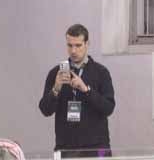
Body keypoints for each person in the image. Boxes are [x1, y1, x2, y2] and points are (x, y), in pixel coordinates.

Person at [38, 24, 115, 157]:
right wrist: (56, 89)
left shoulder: (101, 72)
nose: (73, 51)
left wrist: (86, 90)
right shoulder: (56, 73)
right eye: (69, 45)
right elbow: (45, 110)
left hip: (97, 147)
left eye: (78, 45)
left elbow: (108, 108)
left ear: (87, 44)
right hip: (65, 148)